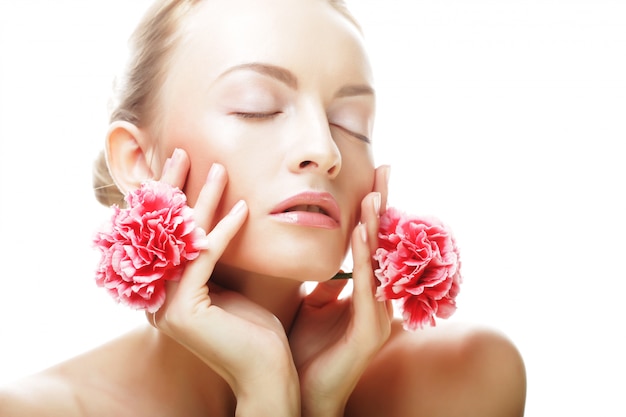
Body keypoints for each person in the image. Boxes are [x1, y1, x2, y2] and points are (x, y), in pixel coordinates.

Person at [0, 0, 527, 415]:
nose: (323, 149)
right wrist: (265, 392)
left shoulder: (461, 376)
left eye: (351, 122)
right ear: (138, 161)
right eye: (259, 107)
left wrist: (319, 406)